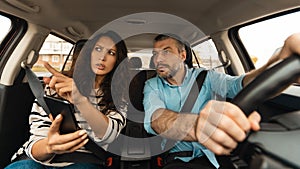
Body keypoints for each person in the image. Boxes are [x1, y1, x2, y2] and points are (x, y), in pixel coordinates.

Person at [143, 33, 300, 169]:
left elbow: (240, 84)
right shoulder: (152, 85)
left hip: (218, 155)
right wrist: (198, 126)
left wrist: (279, 61)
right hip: (178, 160)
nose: (158, 59)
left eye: (166, 52)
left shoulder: (206, 77)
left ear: (182, 55)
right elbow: (156, 118)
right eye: (155, 54)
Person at [5, 30, 129, 169]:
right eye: (98, 49)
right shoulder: (58, 85)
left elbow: (108, 134)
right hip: (39, 158)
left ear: (118, 61)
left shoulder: (119, 97)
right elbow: (37, 135)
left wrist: (80, 100)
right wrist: (48, 147)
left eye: (111, 53)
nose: (102, 57)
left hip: (83, 159)